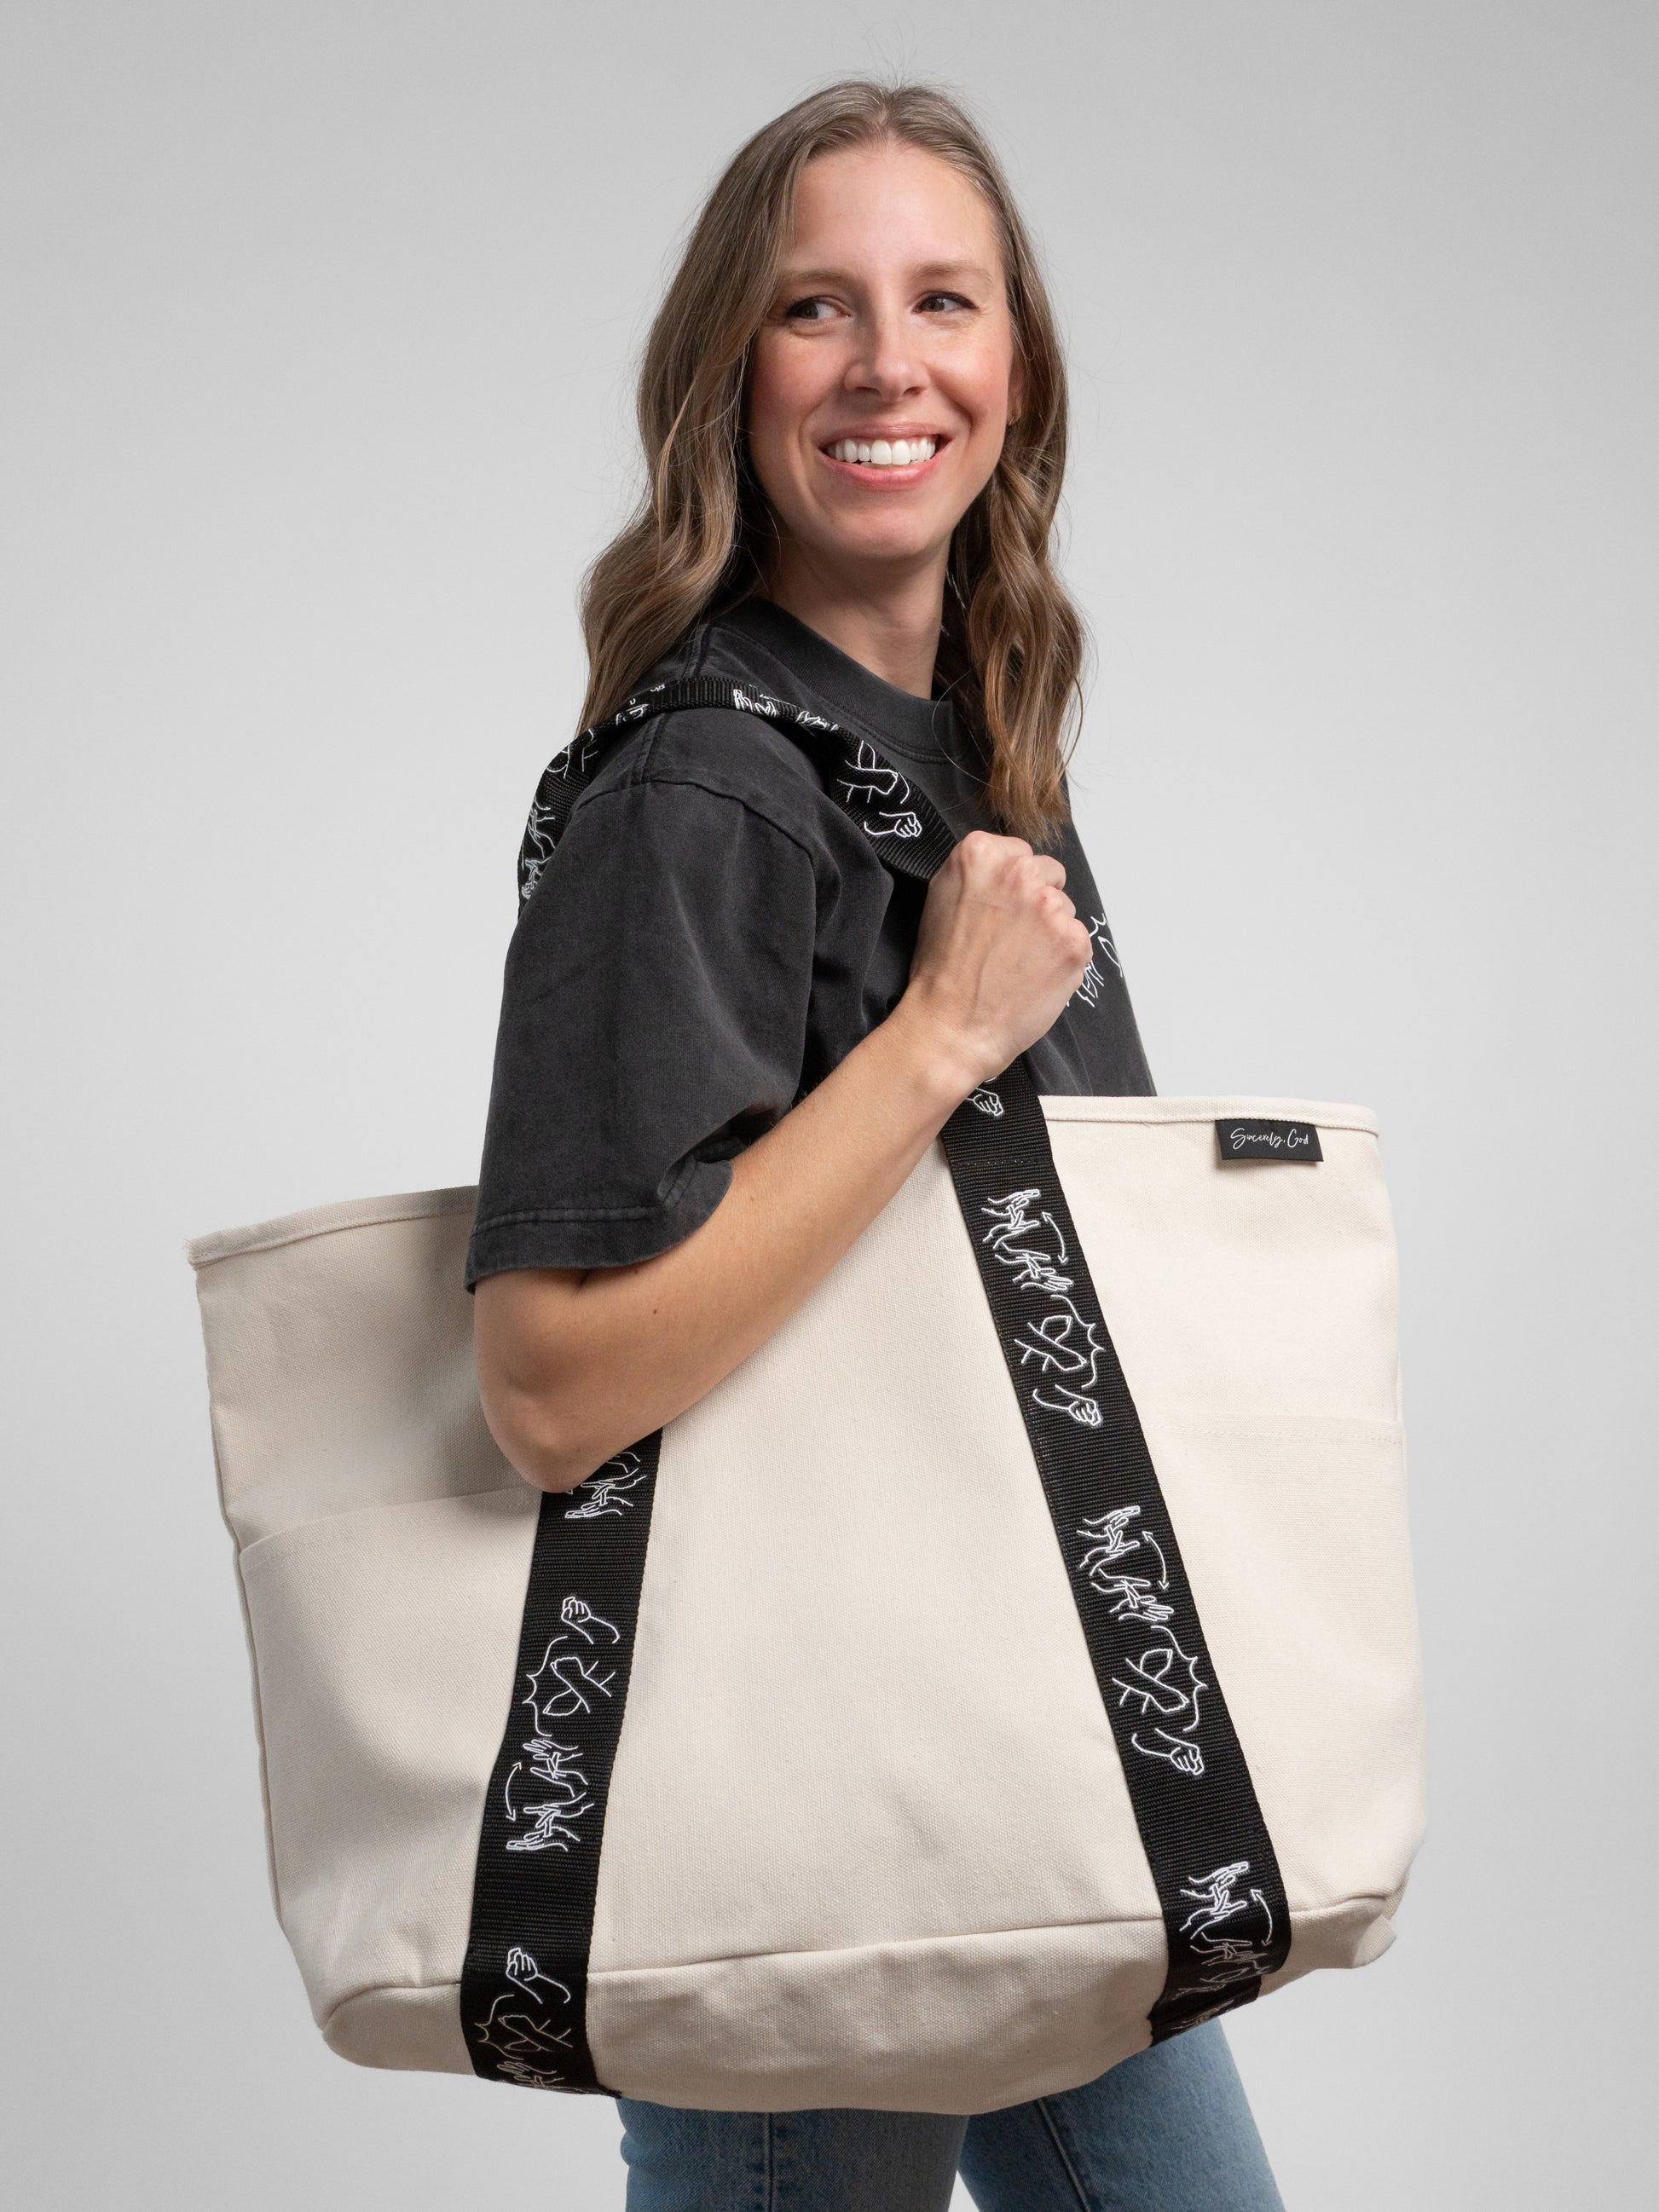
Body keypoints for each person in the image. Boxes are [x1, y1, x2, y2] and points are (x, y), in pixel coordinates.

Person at [466, 78, 1283, 2212]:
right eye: (815, 308)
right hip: (805, 1790)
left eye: (946, 299)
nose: (888, 363)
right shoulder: (703, 789)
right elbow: (550, 1383)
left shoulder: (967, 763)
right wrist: (932, 1039)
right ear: (730, 376)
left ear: (1017, 368)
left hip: (1004, 1764)